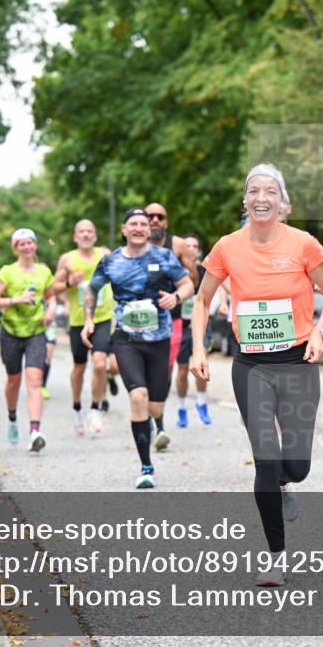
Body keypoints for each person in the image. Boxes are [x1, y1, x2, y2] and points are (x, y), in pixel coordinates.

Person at [190, 164, 323, 587]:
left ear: (282, 201)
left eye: (270, 191)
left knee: (297, 465)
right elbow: (202, 300)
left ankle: (285, 483)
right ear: (245, 200)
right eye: (254, 191)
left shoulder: (303, 244)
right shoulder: (227, 247)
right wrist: (199, 347)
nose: (262, 198)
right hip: (252, 365)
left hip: (297, 362)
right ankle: (275, 557)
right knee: (265, 458)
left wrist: (319, 331)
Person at [83, 207, 193, 489]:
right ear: (124, 230)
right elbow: (92, 290)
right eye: (133, 223)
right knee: (138, 397)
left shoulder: (164, 256)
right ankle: (146, 467)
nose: (139, 228)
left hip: (159, 338)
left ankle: (154, 423)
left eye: (144, 224)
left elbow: (187, 284)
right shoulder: (111, 261)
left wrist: (176, 297)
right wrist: (88, 320)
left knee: (155, 406)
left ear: (149, 229)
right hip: (126, 338)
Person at [0, 229, 56, 451]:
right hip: (11, 332)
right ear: (15, 248)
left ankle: (35, 432)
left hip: (36, 331)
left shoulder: (44, 271)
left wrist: (51, 310)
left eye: (30, 243)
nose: (27, 247)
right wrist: (16, 299)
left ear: (35, 245)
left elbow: (51, 297)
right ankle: (12, 417)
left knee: (35, 380)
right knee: (13, 381)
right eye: (22, 244)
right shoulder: (7, 272)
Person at [52, 219, 116, 436]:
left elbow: (119, 276)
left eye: (90, 231)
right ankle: (77, 407)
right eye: (82, 231)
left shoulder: (105, 254)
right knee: (79, 368)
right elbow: (53, 288)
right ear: (75, 236)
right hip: (78, 321)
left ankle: (95, 408)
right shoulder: (67, 259)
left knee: (100, 364)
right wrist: (69, 282)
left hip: (102, 317)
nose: (86, 234)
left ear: (95, 236)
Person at [145, 202, 200, 445]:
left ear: (166, 222)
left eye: (160, 216)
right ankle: (145, 412)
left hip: (171, 316)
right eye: (150, 216)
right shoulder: (135, 245)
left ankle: (158, 422)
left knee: (164, 368)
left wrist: (175, 282)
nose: (155, 220)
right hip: (141, 317)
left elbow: (193, 278)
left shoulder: (177, 245)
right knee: (141, 368)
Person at [173, 234, 212, 428]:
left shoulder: (206, 270)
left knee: (202, 364)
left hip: (202, 323)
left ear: (199, 250)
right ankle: (181, 408)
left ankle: (201, 403)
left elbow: (218, 290)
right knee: (182, 370)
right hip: (180, 324)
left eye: (195, 246)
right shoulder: (174, 270)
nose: (191, 249)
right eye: (187, 245)